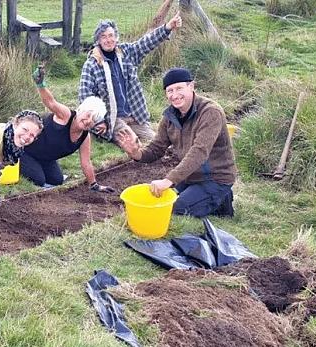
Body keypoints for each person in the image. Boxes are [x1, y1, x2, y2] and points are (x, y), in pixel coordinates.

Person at [117, 68, 236, 217]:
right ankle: (217, 199)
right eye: (169, 91)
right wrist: (136, 153)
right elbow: (156, 148)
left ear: (191, 86)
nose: (175, 95)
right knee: (162, 200)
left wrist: (169, 180)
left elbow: (199, 152)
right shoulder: (169, 116)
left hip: (216, 177)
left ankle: (220, 197)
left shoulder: (210, 112)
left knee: (175, 209)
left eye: (179, 88)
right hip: (191, 176)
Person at [78, 13, 183, 144]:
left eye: (111, 35)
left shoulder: (126, 52)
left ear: (116, 38)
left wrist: (167, 27)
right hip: (113, 119)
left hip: (135, 115)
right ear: (98, 40)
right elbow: (85, 97)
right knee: (133, 143)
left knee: (157, 142)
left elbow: (146, 43)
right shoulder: (91, 64)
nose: (108, 40)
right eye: (103, 37)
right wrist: (99, 122)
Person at [24, 64, 123, 192]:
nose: (88, 121)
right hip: (26, 149)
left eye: (93, 120)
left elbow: (86, 162)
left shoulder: (84, 137)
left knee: (57, 180)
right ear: (81, 110)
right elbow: (50, 102)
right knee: (39, 180)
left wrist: (95, 185)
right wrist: (40, 84)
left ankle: (39, 166)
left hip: (46, 158)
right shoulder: (66, 116)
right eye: (88, 115)